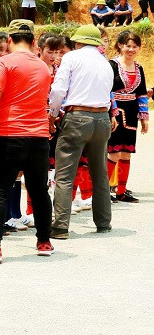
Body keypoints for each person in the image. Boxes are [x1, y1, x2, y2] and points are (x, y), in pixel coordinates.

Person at [0, 19, 55, 263]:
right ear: (34, 41)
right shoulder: (43, 67)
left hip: (10, 135)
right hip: (39, 138)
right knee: (39, 191)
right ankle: (44, 242)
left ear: (9, 40)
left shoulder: (4, 62)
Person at [48, 25, 116, 238]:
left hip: (77, 117)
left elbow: (59, 90)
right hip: (102, 118)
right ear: (96, 43)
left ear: (77, 42)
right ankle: (103, 222)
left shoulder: (71, 58)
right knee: (100, 173)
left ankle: (60, 226)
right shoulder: (106, 63)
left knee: (65, 174)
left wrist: (52, 114)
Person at [106, 30, 149, 203]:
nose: (131, 49)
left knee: (126, 153)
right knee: (113, 152)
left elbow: (142, 93)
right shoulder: (112, 65)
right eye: (127, 46)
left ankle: (121, 192)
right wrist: (112, 112)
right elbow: (107, 90)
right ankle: (105, 190)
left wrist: (144, 117)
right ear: (120, 46)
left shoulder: (139, 68)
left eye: (134, 46)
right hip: (115, 113)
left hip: (131, 113)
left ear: (139, 48)